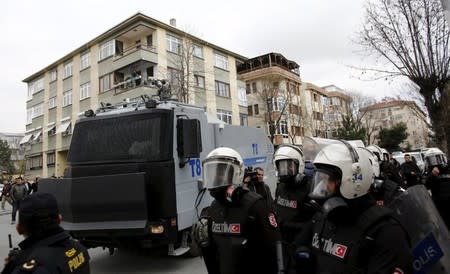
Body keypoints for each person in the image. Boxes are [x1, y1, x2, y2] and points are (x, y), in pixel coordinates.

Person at [295, 141, 412, 274]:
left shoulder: (385, 232)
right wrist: (302, 254)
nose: (321, 187)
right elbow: (300, 246)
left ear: (353, 182)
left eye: (327, 180)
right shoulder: (323, 218)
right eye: (319, 179)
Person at [192, 147, 284, 274]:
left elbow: (274, 246)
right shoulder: (214, 207)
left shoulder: (255, 204)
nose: (217, 179)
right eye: (214, 174)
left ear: (236, 174)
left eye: (222, 174)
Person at [1, 192, 90, 274]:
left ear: (19, 229)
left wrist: (11, 268)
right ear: (59, 219)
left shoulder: (30, 269)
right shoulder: (79, 248)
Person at [272, 145, 314, 273]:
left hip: (301, 246)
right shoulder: (280, 188)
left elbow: (315, 221)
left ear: (299, 165)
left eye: (289, 166)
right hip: (282, 244)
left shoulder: (309, 188)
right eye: (282, 166)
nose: (285, 170)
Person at [424, 148, 450, 228]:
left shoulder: (448, 168)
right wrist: (432, 175)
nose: (434, 162)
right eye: (431, 160)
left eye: (437, 158)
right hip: (439, 201)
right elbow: (425, 185)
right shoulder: (428, 172)